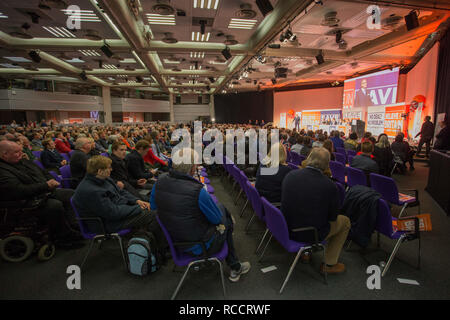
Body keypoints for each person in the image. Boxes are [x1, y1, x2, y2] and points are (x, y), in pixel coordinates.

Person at [150, 148, 251, 282]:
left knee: (222, 213)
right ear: (192, 168)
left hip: (173, 238)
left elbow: (153, 207)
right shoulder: (197, 191)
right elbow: (216, 220)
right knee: (224, 218)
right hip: (198, 245)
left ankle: (234, 261)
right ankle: (234, 266)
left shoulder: (159, 182)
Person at [281, 147, 350, 274]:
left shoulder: (290, 175)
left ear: (308, 158)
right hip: (309, 233)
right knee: (345, 222)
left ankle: (306, 252)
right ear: (327, 164)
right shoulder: (330, 186)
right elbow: (333, 217)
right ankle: (329, 264)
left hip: (286, 228)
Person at [0, 140, 81, 247]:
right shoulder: (3, 170)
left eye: (20, 151)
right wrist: (46, 185)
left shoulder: (23, 161)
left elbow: (44, 172)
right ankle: (62, 237)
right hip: (24, 201)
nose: (21, 153)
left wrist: (50, 181)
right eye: (16, 152)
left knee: (70, 194)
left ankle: (73, 226)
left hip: (41, 192)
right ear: (4, 154)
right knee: (54, 205)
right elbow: (18, 190)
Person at [72, 156, 163, 242]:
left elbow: (121, 192)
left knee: (151, 208)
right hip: (107, 223)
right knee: (154, 214)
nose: (111, 169)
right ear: (100, 171)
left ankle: (150, 240)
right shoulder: (91, 191)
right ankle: (160, 246)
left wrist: (137, 201)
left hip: (117, 212)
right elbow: (113, 213)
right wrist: (139, 208)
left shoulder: (103, 178)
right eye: (109, 168)